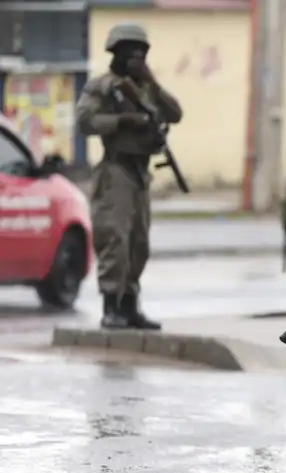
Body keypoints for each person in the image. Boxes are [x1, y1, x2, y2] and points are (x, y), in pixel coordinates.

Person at [75, 22, 183, 330]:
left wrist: (153, 83)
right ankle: (111, 306)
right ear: (116, 54)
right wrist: (123, 121)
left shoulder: (147, 88)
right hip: (116, 170)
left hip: (140, 172)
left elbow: (175, 114)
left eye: (140, 52)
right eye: (129, 53)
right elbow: (86, 121)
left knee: (139, 243)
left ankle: (130, 306)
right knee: (114, 240)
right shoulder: (103, 86)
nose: (135, 58)